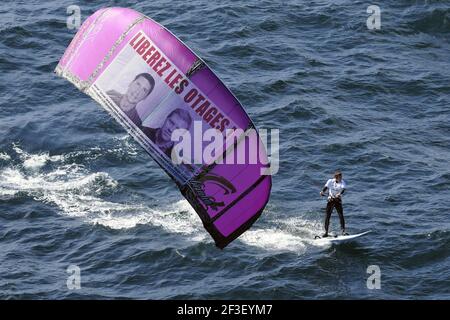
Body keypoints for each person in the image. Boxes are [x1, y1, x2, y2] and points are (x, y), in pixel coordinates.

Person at [319, 170, 348, 237]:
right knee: (327, 216)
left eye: (341, 177)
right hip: (331, 200)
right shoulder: (330, 181)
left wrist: (339, 193)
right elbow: (326, 187)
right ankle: (326, 232)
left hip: (338, 200)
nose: (341, 178)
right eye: (339, 177)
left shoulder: (342, 182)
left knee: (341, 216)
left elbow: (343, 189)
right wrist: (322, 192)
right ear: (336, 177)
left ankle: (343, 232)